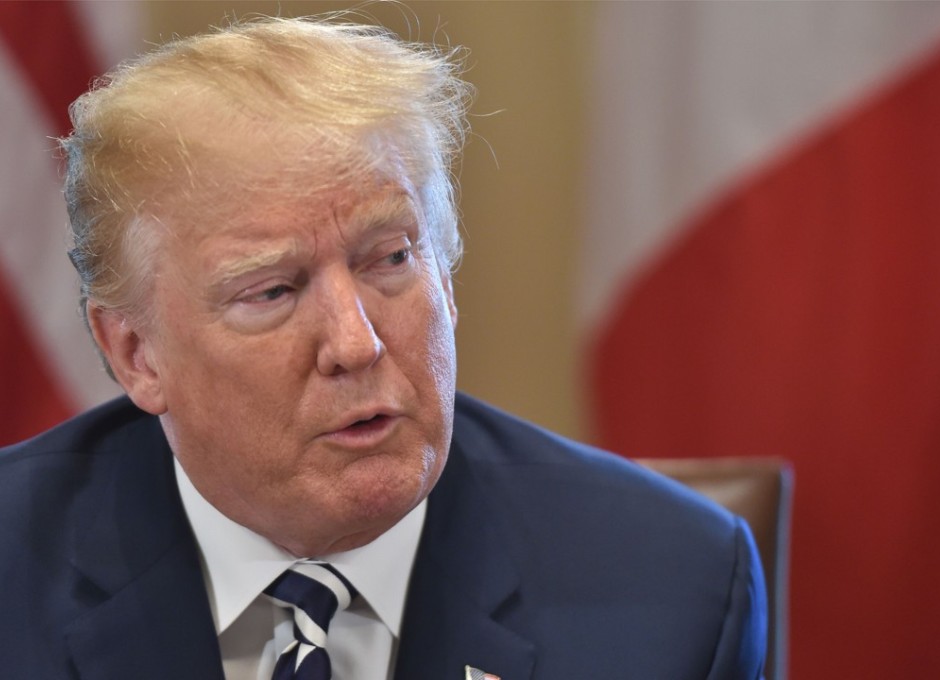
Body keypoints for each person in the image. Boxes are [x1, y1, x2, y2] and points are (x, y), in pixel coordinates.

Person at [0, 16, 766, 680]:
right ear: (136, 354)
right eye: (272, 292)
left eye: (391, 258)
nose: (355, 342)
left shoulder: (670, 584)